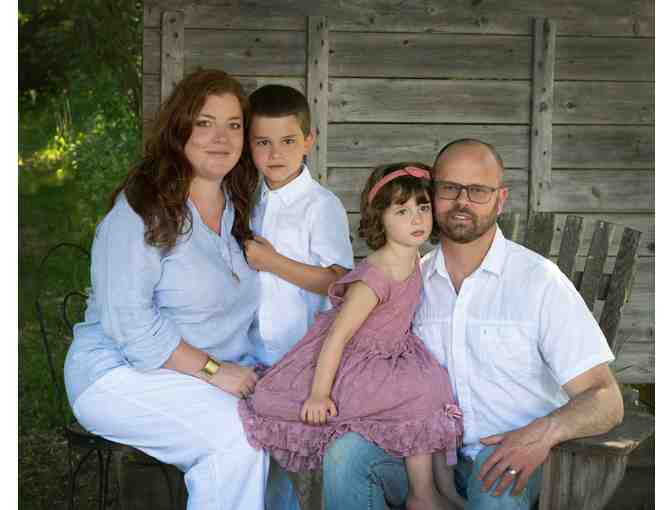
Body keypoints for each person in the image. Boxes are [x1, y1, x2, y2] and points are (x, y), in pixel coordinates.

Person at [321, 139, 624, 510]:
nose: (462, 201)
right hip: (426, 456)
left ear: (500, 199)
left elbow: (606, 398)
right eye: (450, 188)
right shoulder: (409, 283)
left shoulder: (538, 281)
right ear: (433, 194)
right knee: (345, 457)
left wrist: (543, 433)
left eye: (478, 190)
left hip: (509, 451)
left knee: (495, 480)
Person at [64, 69, 269, 510]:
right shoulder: (141, 210)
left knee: (278, 425)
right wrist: (215, 371)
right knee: (237, 440)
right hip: (117, 373)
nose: (221, 138)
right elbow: (131, 327)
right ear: (179, 129)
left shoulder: (240, 208)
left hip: (196, 375)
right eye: (205, 122)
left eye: (233, 124)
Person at [240, 163, 465, 510]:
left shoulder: (414, 256)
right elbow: (337, 337)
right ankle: (422, 495)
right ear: (380, 218)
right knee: (420, 396)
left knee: (436, 387)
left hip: (394, 351)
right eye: (402, 211)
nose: (416, 219)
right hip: (358, 363)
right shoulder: (376, 274)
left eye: (423, 208)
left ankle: (443, 490)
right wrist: (318, 394)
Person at [243, 84, 353, 510]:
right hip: (251, 354)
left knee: (293, 462)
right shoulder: (249, 202)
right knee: (256, 458)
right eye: (263, 142)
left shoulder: (320, 205)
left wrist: (272, 262)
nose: (276, 153)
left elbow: (338, 282)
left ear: (309, 140)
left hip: (300, 357)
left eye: (288, 141)